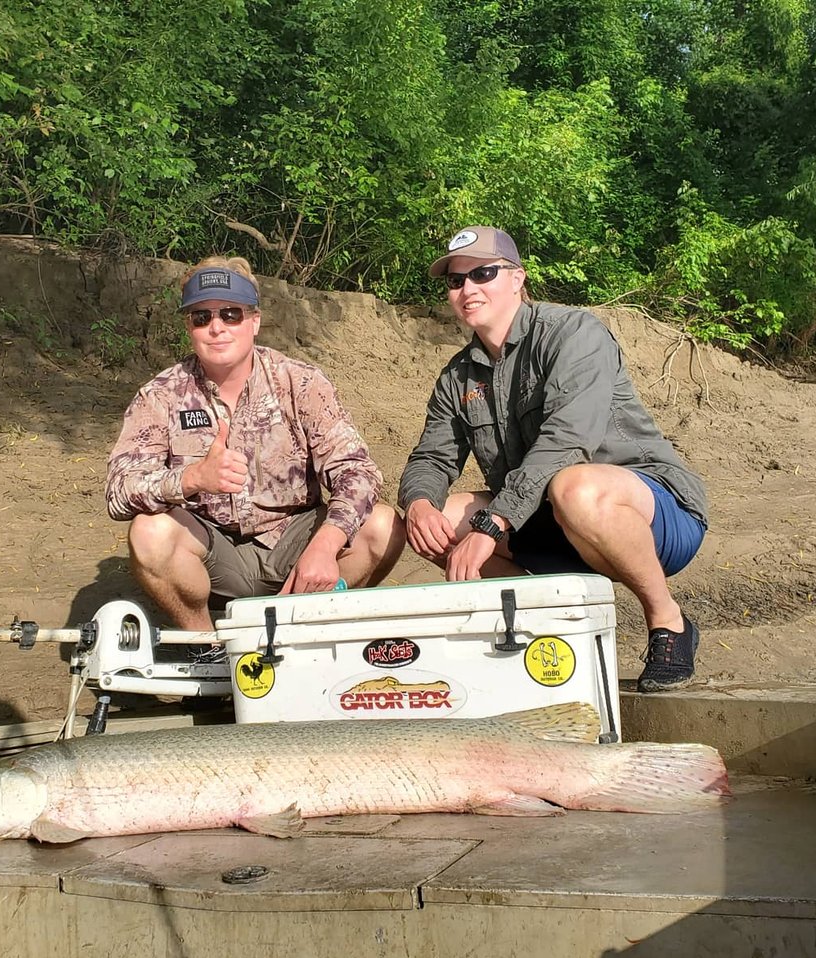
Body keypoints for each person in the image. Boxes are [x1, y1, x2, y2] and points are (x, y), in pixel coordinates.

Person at [398, 227, 709, 692]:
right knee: (436, 519)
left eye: (483, 273)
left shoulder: (574, 334)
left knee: (575, 486)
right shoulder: (458, 375)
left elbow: (568, 441)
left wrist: (494, 522)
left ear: (518, 279)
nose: (468, 288)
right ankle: (544, 635)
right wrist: (419, 502)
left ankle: (669, 623)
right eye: (456, 281)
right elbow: (431, 456)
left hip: (651, 514)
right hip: (545, 521)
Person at [106, 255, 405, 652]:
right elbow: (118, 491)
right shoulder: (160, 396)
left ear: (254, 321)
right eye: (201, 317)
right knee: (149, 533)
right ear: (188, 327)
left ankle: (309, 632)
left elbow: (358, 472)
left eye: (230, 314)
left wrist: (325, 545)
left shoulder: (300, 382)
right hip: (214, 553)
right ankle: (207, 648)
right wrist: (191, 479)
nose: (216, 328)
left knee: (382, 526)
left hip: (295, 540)